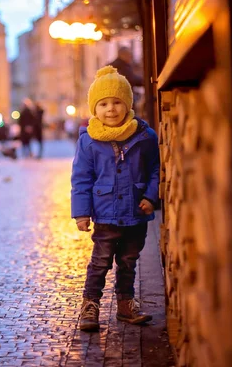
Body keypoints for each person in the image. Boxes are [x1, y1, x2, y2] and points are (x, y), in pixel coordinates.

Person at [71, 65, 160, 331]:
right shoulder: (89, 141)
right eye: (104, 104)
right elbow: (82, 178)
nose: (111, 109)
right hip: (106, 213)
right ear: (94, 109)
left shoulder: (144, 136)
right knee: (100, 261)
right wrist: (81, 212)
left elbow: (155, 169)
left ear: (128, 105)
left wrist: (150, 196)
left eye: (117, 102)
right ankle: (90, 304)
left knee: (128, 261)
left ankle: (125, 304)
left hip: (136, 212)